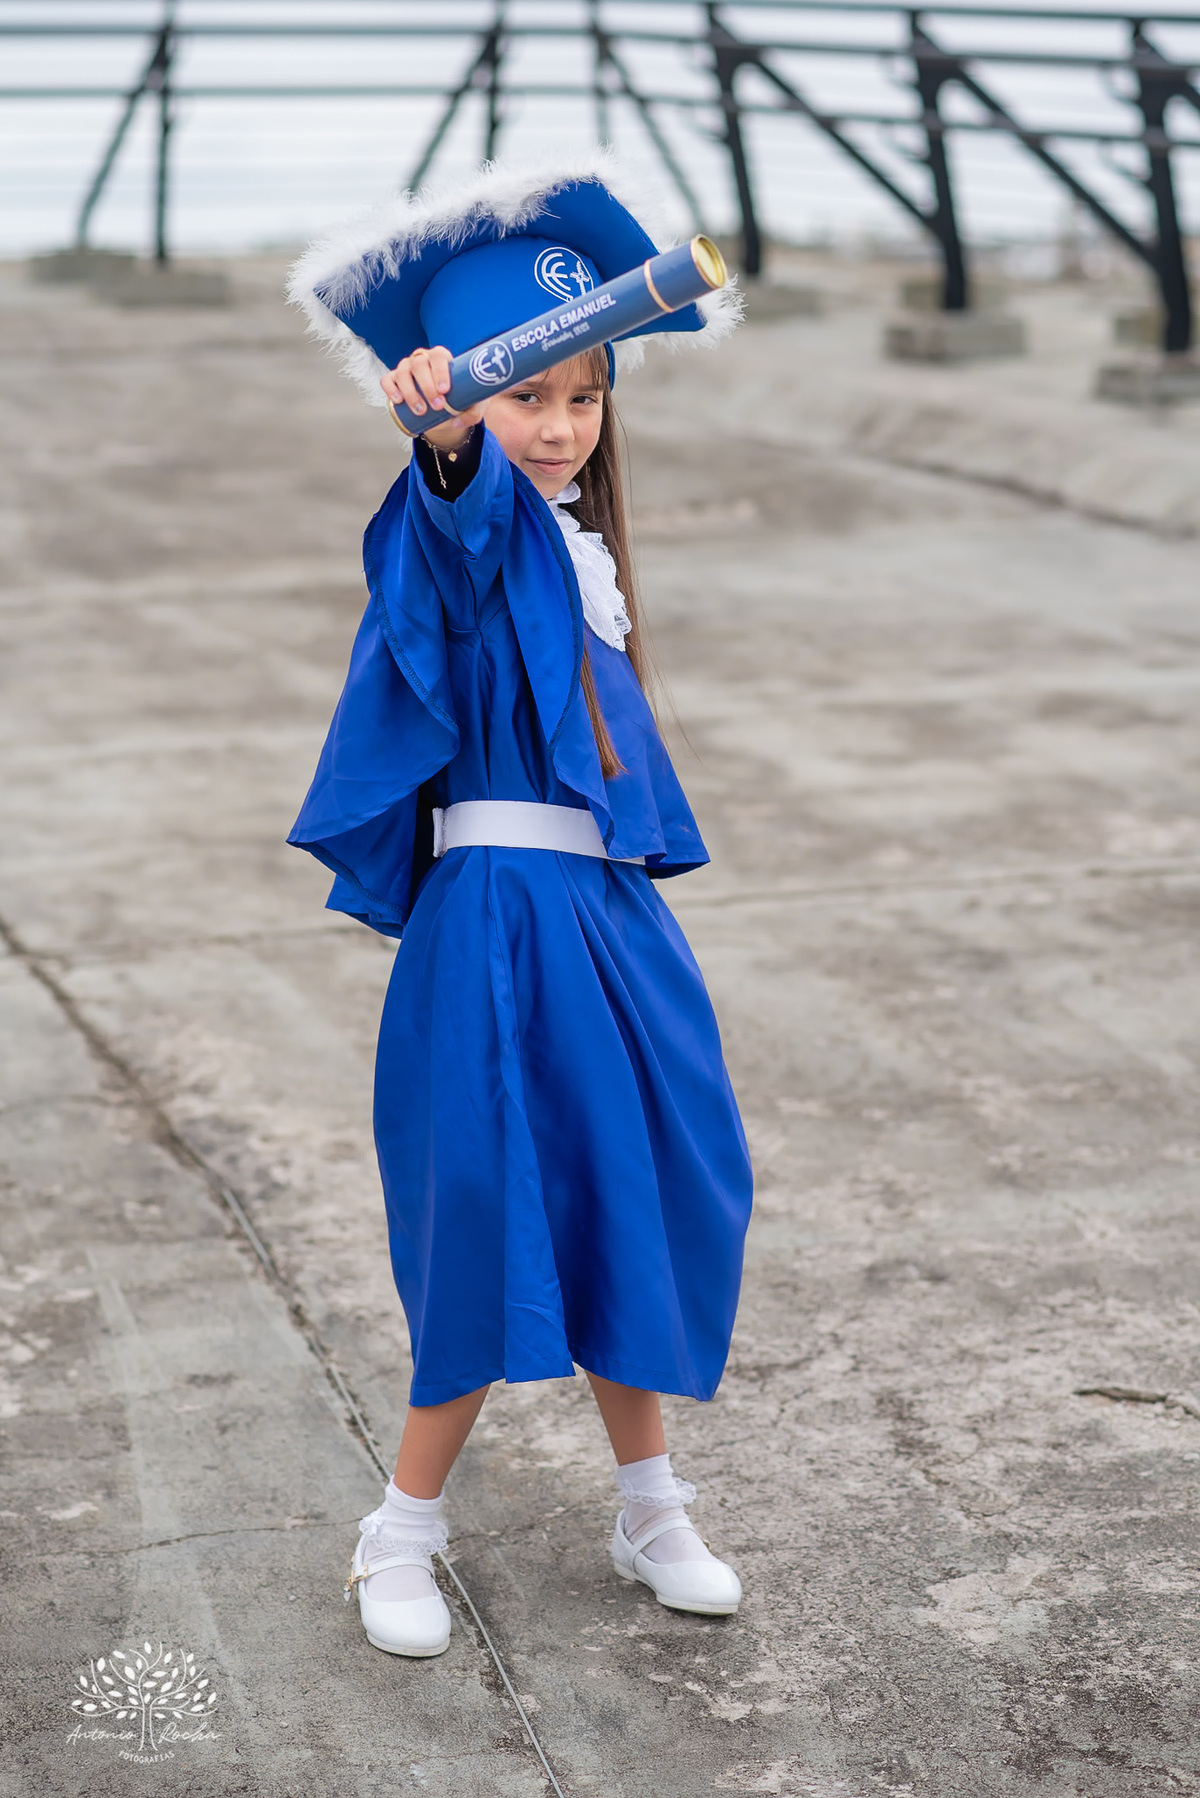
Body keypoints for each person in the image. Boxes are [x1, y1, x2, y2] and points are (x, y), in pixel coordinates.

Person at [287, 155, 752, 1658]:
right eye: (525, 395)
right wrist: (441, 438)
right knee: (485, 1208)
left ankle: (651, 1504)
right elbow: (455, 515)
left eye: (584, 396)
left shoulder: (586, 553)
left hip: (606, 920)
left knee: (635, 1191)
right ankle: (401, 1530)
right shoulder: (471, 532)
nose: (557, 427)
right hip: (492, 913)